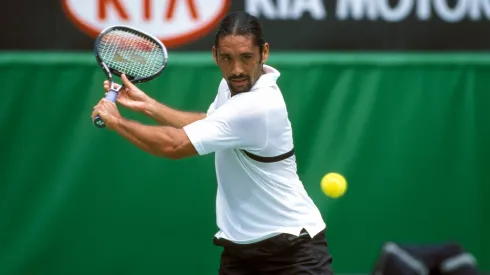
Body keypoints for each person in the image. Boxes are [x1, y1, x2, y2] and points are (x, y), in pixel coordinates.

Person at [92, 11, 333, 275]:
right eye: (227, 59)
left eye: (246, 57)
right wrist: (149, 106)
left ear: (264, 52)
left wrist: (118, 123)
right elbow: (211, 122)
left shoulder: (258, 106)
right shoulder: (232, 86)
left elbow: (174, 146)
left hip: (292, 253)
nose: (237, 69)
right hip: (240, 253)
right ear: (215, 55)